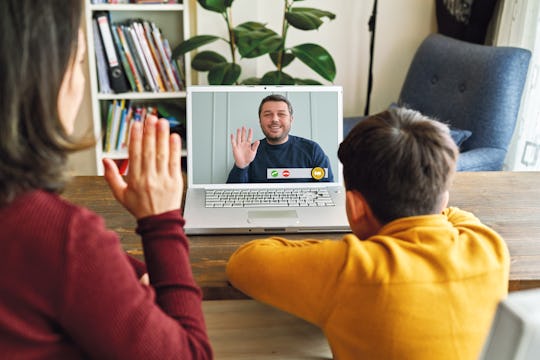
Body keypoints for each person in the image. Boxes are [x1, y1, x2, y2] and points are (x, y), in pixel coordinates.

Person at [0, 1, 212, 358]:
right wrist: (161, 221)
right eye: (80, 62)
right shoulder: (61, 237)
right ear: (43, 77)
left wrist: (131, 284)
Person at [226, 107, 509, 359]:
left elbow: (243, 262)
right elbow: (454, 213)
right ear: (442, 196)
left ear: (354, 205)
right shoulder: (488, 246)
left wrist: (333, 251)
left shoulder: (349, 268)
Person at [226, 94, 334, 183]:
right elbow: (232, 196)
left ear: (291, 119)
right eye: (268, 114)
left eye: (281, 114)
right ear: (260, 120)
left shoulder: (312, 149)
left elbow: (327, 191)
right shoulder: (249, 152)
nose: (275, 119)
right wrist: (241, 166)